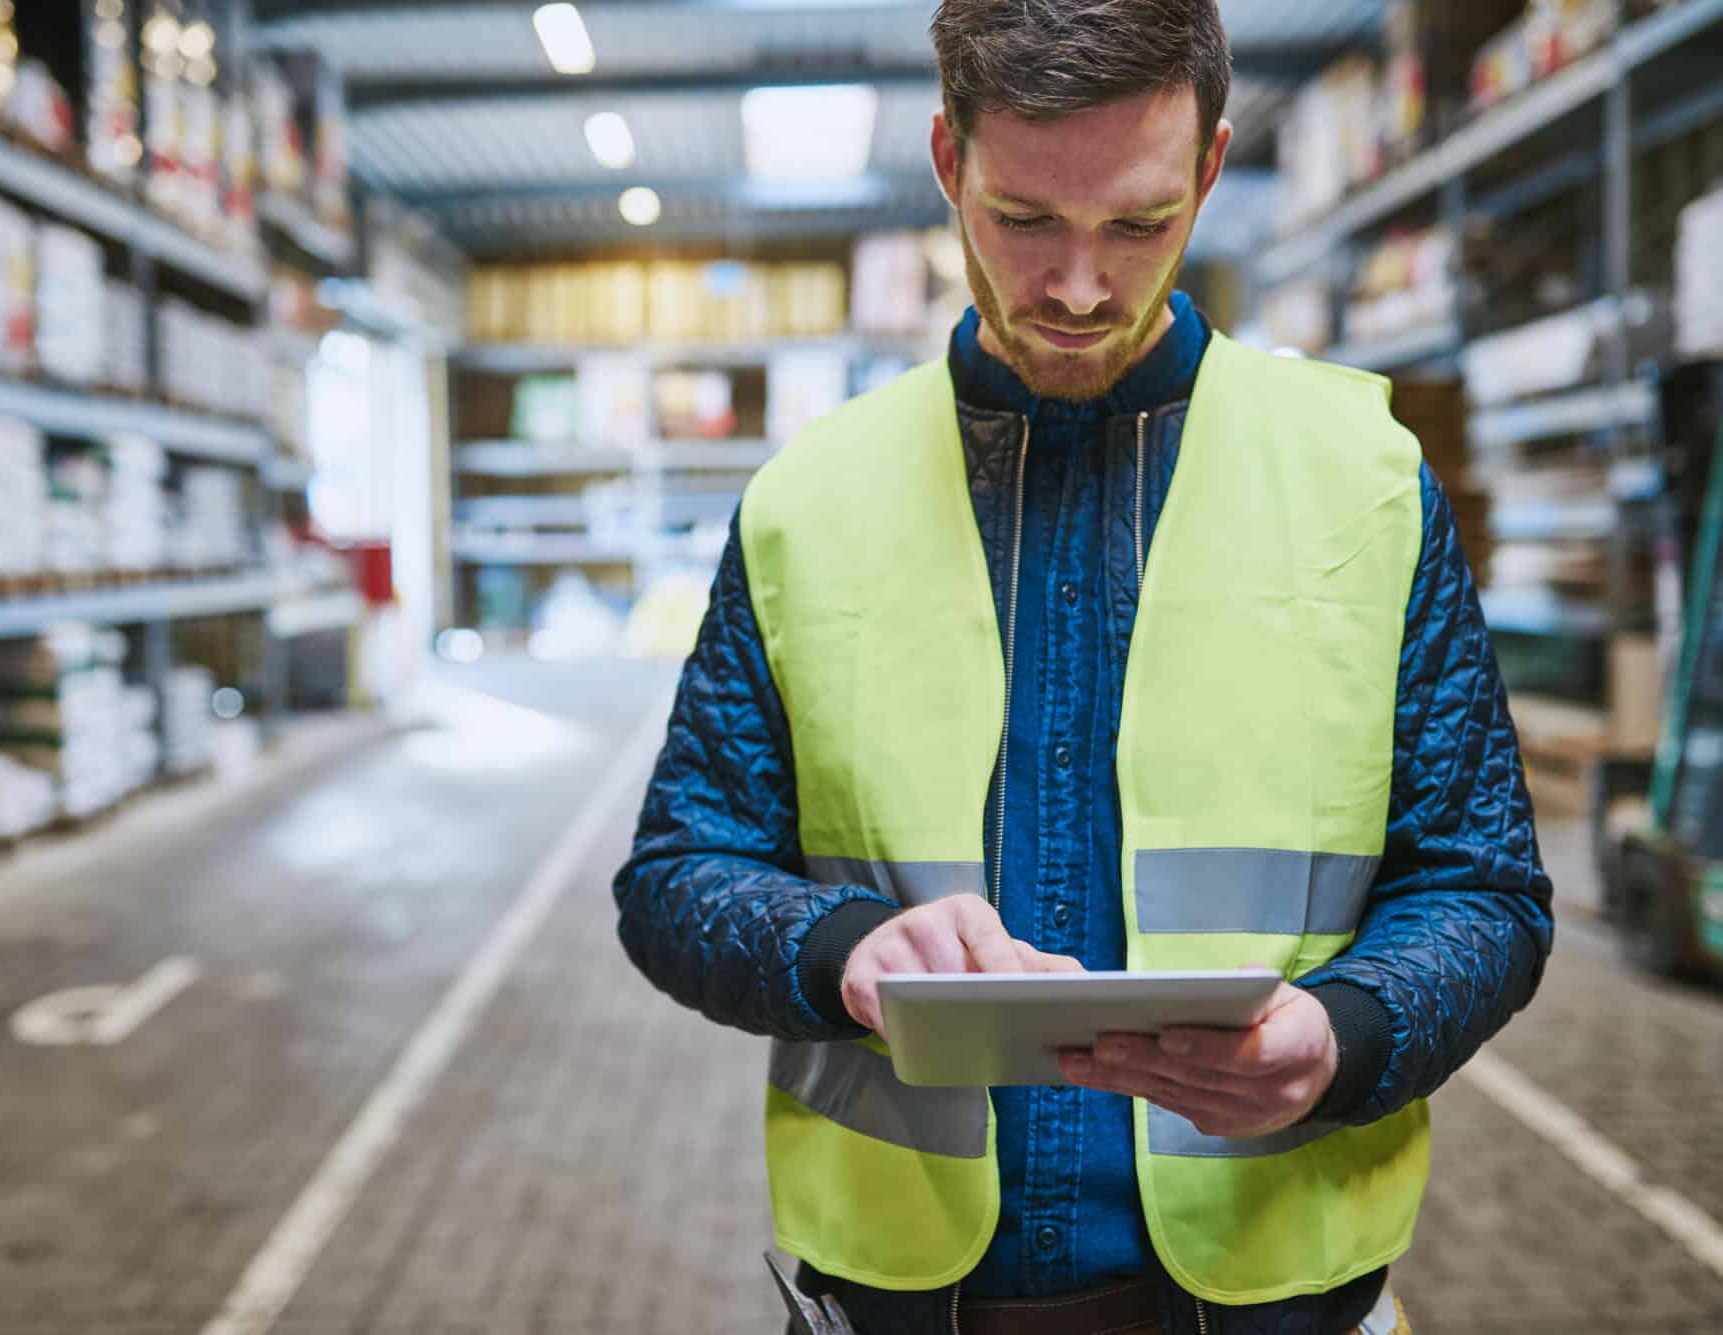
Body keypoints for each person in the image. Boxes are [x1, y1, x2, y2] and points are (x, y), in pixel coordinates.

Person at [614, 0, 1554, 1330]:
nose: (1075, 287)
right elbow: (676, 876)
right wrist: (839, 949)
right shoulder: (805, 504)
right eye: (1023, 220)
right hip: (906, 1304)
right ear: (949, 162)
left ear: (1210, 170)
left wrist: (1347, 1036)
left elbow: (1485, 889)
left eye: (1135, 225)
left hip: (1274, 1295)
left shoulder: (1366, 485)